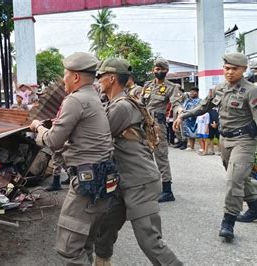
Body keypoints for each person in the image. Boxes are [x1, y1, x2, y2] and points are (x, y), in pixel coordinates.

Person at [173, 52, 257, 241]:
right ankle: (255, 209)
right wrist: (183, 115)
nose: (229, 72)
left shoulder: (251, 91)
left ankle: (228, 222)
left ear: (244, 70)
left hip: (245, 141)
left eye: (234, 69)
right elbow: (203, 107)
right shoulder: (218, 89)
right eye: (227, 68)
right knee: (240, 177)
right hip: (225, 141)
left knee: (233, 180)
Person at [29, 52, 116, 265]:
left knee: (69, 248)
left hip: (87, 182)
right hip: (103, 178)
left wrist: (38, 127)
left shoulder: (75, 100)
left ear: (75, 77)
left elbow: (53, 141)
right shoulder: (93, 97)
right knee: (85, 243)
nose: (63, 79)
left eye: (65, 74)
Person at [94, 58, 182, 266]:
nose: (97, 80)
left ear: (111, 78)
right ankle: (102, 261)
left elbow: (97, 138)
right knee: (105, 228)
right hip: (123, 181)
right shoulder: (115, 103)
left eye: (99, 76)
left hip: (140, 182)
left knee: (149, 241)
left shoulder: (122, 107)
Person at [141, 57, 182, 202]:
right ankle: (150, 186)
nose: (158, 71)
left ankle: (167, 190)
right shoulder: (147, 86)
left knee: (161, 156)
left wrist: (180, 112)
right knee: (145, 155)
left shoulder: (172, 87)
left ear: (166, 71)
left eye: (161, 69)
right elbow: (140, 103)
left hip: (158, 125)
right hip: (144, 124)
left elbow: (176, 103)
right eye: (156, 69)